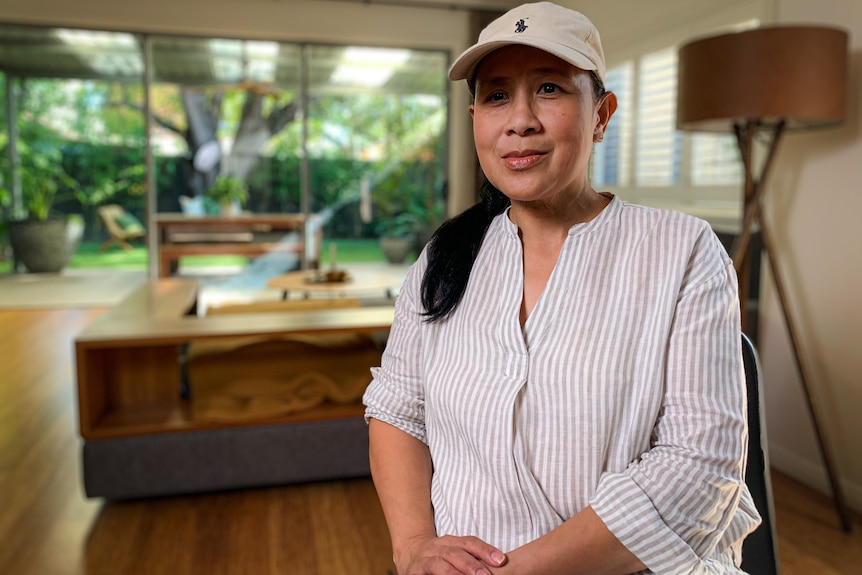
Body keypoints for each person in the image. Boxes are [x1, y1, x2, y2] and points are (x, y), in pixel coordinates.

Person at [363, 3, 761, 574]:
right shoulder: (444, 259)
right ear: (475, 117)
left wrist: (510, 572)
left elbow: (699, 465)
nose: (519, 120)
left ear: (601, 114)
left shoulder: (684, 251)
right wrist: (414, 547)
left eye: (549, 89)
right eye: (497, 96)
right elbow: (398, 410)